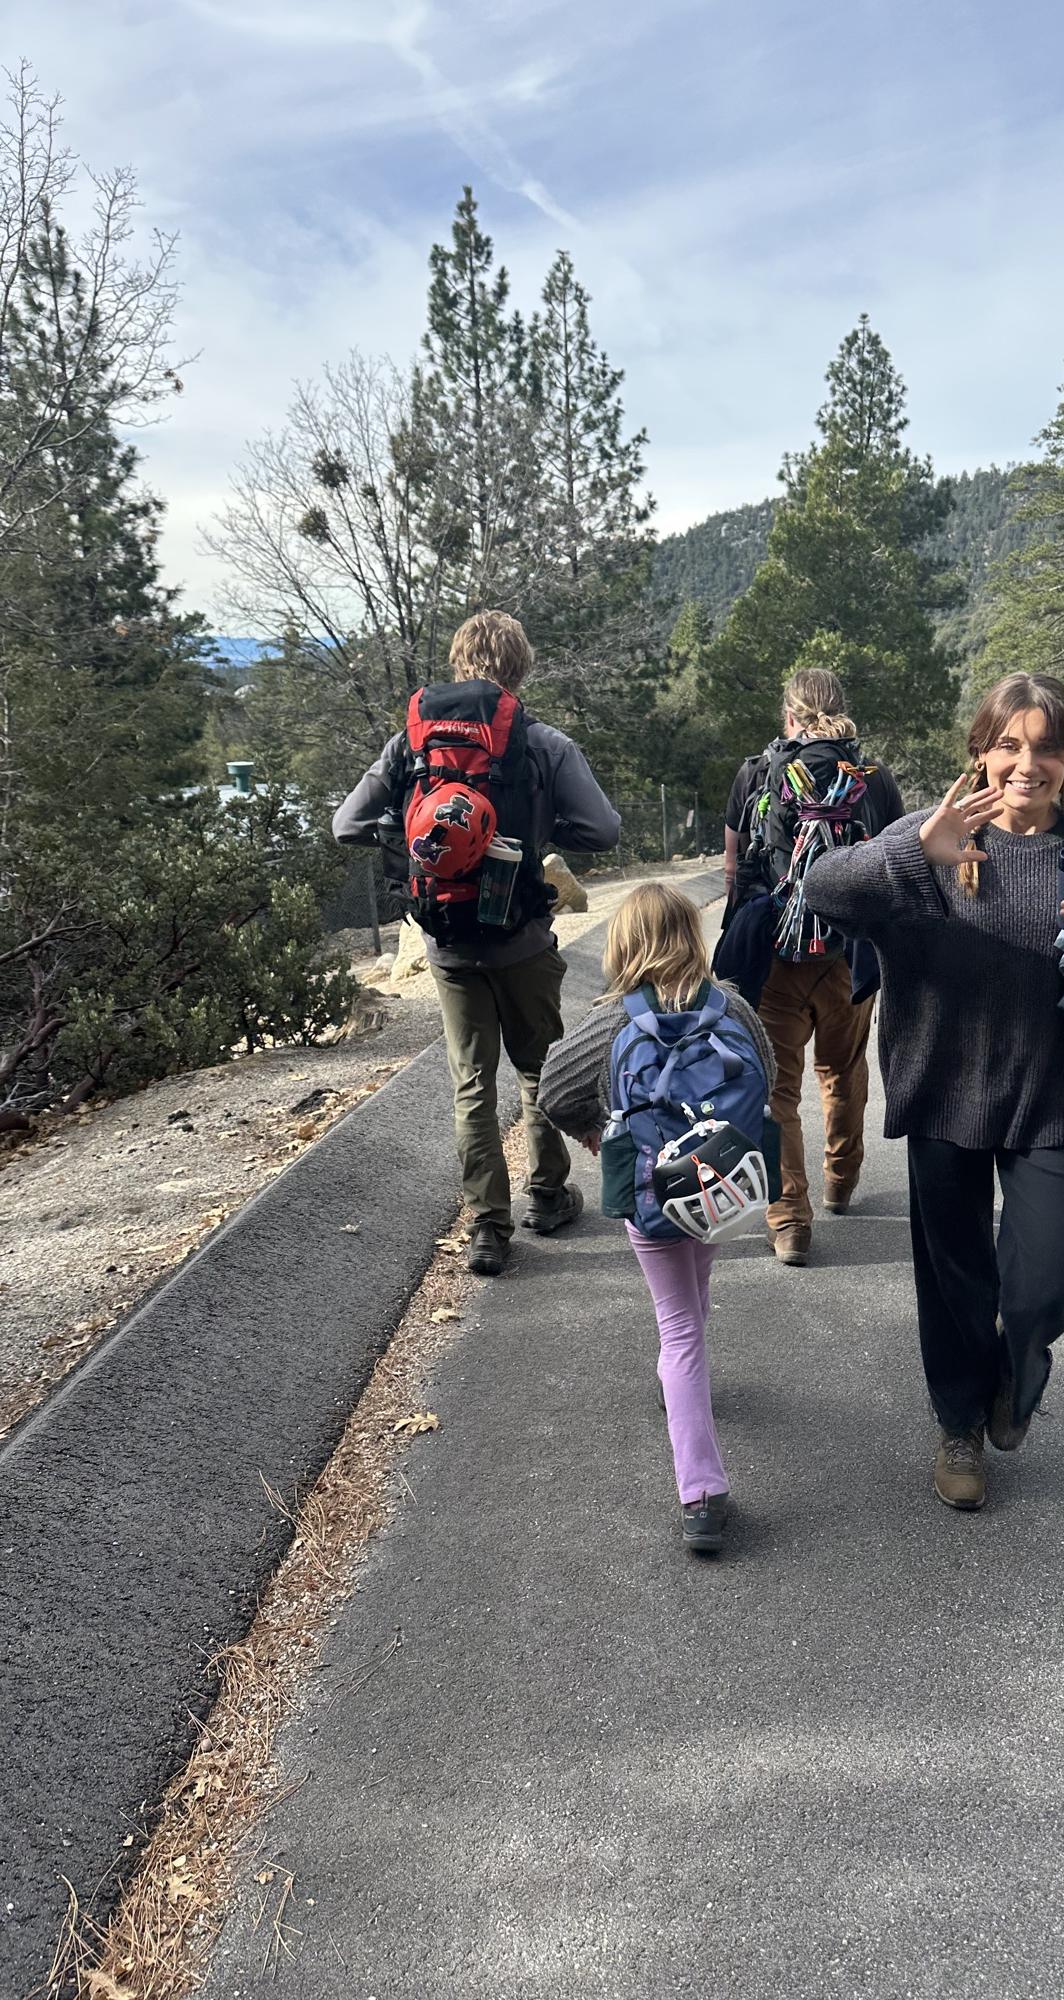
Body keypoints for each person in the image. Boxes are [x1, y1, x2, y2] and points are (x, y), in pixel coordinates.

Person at [802, 671, 1064, 1512]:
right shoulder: (931, 831)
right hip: (944, 1083)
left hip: (1052, 1089)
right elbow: (820, 890)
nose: (1027, 764)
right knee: (954, 1277)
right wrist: (913, 851)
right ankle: (959, 1424)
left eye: (1046, 747)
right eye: (1009, 745)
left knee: (1049, 1279)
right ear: (981, 751)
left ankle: (1015, 1376)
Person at [334, 611, 620, 1276]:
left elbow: (346, 823)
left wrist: (404, 840)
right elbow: (603, 829)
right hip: (522, 937)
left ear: (459, 661)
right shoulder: (539, 740)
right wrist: (544, 832)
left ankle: (488, 1229)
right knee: (538, 1070)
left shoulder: (411, 741)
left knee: (471, 1084)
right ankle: (547, 1198)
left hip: (446, 944)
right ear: (519, 667)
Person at [537, 884, 777, 1553]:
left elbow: (553, 1088)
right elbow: (772, 1073)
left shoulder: (613, 1018)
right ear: (690, 935)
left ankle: (700, 1493)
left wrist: (598, 1133)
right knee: (692, 1303)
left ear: (624, 943)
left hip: (650, 1192)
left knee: (678, 1330)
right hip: (720, 1189)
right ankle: (683, 1394)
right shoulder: (730, 1004)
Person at [722, 666, 904, 1265]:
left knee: (777, 1086)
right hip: (850, 955)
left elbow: (734, 869)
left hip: (776, 954)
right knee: (843, 1068)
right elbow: (896, 864)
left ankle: (789, 1219)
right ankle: (841, 1180)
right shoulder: (872, 781)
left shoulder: (756, 772)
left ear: (789, 715)